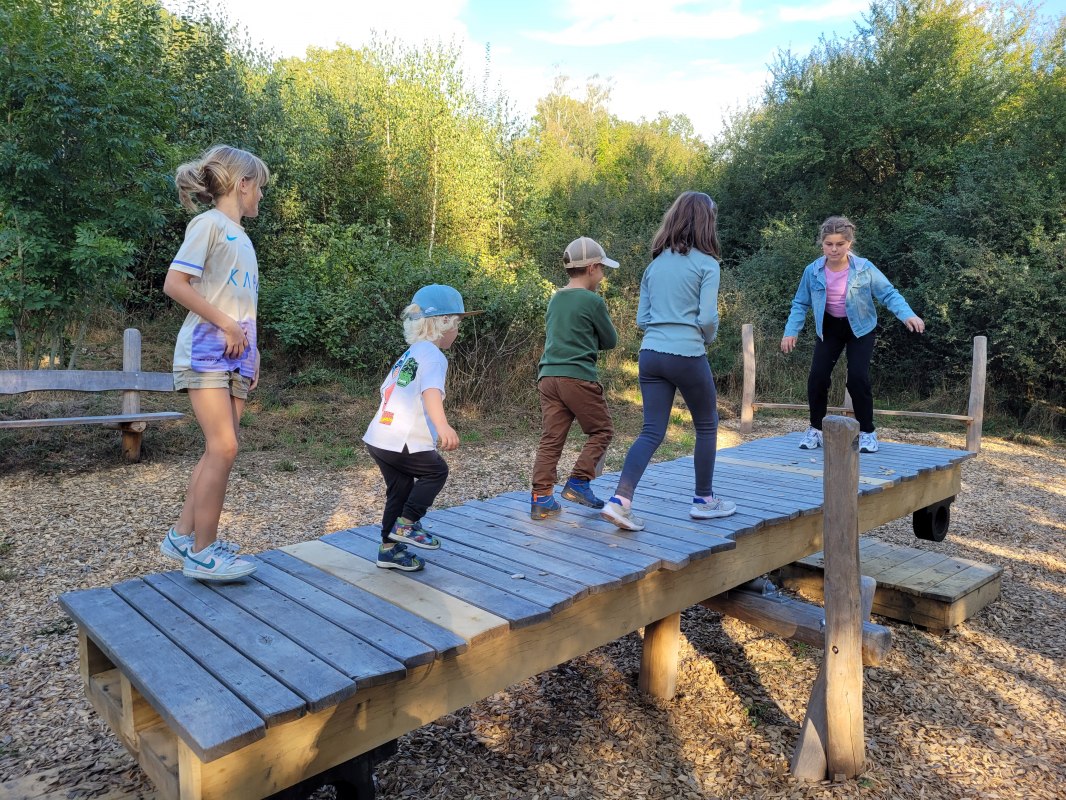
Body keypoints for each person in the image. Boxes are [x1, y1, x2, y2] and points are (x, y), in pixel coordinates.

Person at [159, 144, 268, 582]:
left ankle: (182, 536)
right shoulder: (209, 225)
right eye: (259, 187)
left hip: (236, 355)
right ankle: (204, 552)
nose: (261, 196)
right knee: (224, 447)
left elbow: (244, 304)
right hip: (206, 349)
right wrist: (226, 323)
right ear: (242, 185)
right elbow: (175, 283)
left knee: (218, 449)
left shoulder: (243, 239)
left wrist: (254, 351)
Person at [600, 191, 736, 532]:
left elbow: (642, 319)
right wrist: (706, 337)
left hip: (650, 355)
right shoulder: (707, 264)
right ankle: (704, 500)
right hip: (687, 353)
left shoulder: (654, 264)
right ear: (707, 222)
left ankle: (620, 501)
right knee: (706, 424)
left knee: (651, 431)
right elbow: (707, 317)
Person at [780, 215, 925, 454]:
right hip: (829, 328)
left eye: (840, 244)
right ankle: (816, 429)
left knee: (857, 378)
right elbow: (800, 303)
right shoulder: (813, 271)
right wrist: (790, 332)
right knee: (817, 377)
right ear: (822, 244)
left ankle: (867, 432)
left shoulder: (864, 269)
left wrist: (907, 315)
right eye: (829, 244)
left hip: (860, 328)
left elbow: (888, 293)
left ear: (849, 244)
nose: (834, 249)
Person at [363, 285, 482, 571]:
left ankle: (389, 550)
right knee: (436, 471)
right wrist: (443, 427)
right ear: (443, 323)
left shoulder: (412, 353)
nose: (458, 332)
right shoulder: (433, 355)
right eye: (457, 324)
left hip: (379, 437)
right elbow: (430, 392)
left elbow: (388, 390)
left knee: (400, 488)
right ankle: (406, 524)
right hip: (401, 439)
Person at [530, 237, 619, 520]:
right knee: (601, 430)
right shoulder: (593, 301)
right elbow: (610, 340)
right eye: (603, 269)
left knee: (551, 438)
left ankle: (541, 498)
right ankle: (579, 482)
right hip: (578, 378)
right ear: (592, 268)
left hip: (548, 377)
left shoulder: (556, 298)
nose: (603, 276)